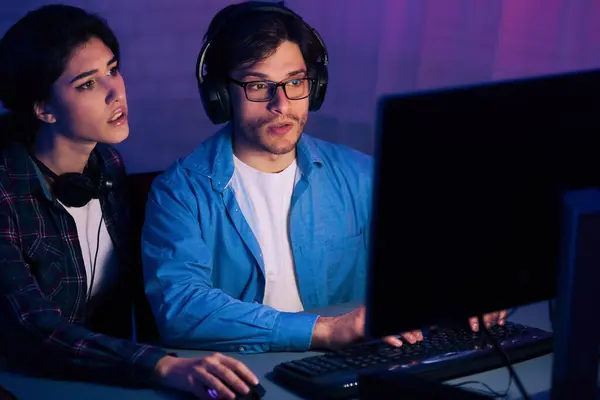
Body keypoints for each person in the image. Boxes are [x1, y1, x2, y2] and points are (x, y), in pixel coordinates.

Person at [141, 1, 507, 354]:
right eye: (258, 86)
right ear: (221, 94)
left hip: (354, 363)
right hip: (244, 372)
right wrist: (324, 331)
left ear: (314, 86)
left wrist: (470, 292)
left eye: (295, 82)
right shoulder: (178, 193)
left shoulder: (360, 174)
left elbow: (433, 256)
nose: (281, 105)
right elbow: (181, 308)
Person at [0, 5, 259, 400]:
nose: (115, 91)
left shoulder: (106, 164)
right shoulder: (6, 186)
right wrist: (160, 365)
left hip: (98, 381)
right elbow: (31, 327)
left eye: (113, 68)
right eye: (87, 84)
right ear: (43, 108)